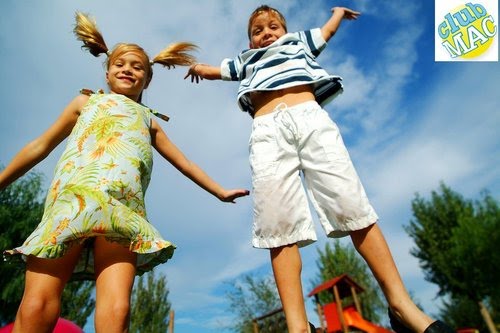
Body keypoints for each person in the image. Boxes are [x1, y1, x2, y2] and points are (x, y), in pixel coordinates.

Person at [184, 5, 455, 333]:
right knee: (278, 221)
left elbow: (325, 33)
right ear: (251, 40)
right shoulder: (246, 59)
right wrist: (198, 67)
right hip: (268, 130)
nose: (267, 33)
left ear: (285, 31)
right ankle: (297, 326)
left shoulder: (298, 42)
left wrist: (338, 13)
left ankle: (401, 305)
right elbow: (218, 71)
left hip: (311, 121)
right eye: (258, 30)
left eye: (274, 27)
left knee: (351, 203)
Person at [0, 11, 249, 333]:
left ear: (147, 78)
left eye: (137, 67)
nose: (128, 70)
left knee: (117, 309)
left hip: (122, 212)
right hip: (70, 207)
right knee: (36, 305)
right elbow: (40, 145)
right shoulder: (85, 103)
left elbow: (184, 162)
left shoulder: (149, 119)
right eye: (120, 64)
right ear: (107, 72)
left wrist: (218, 190)